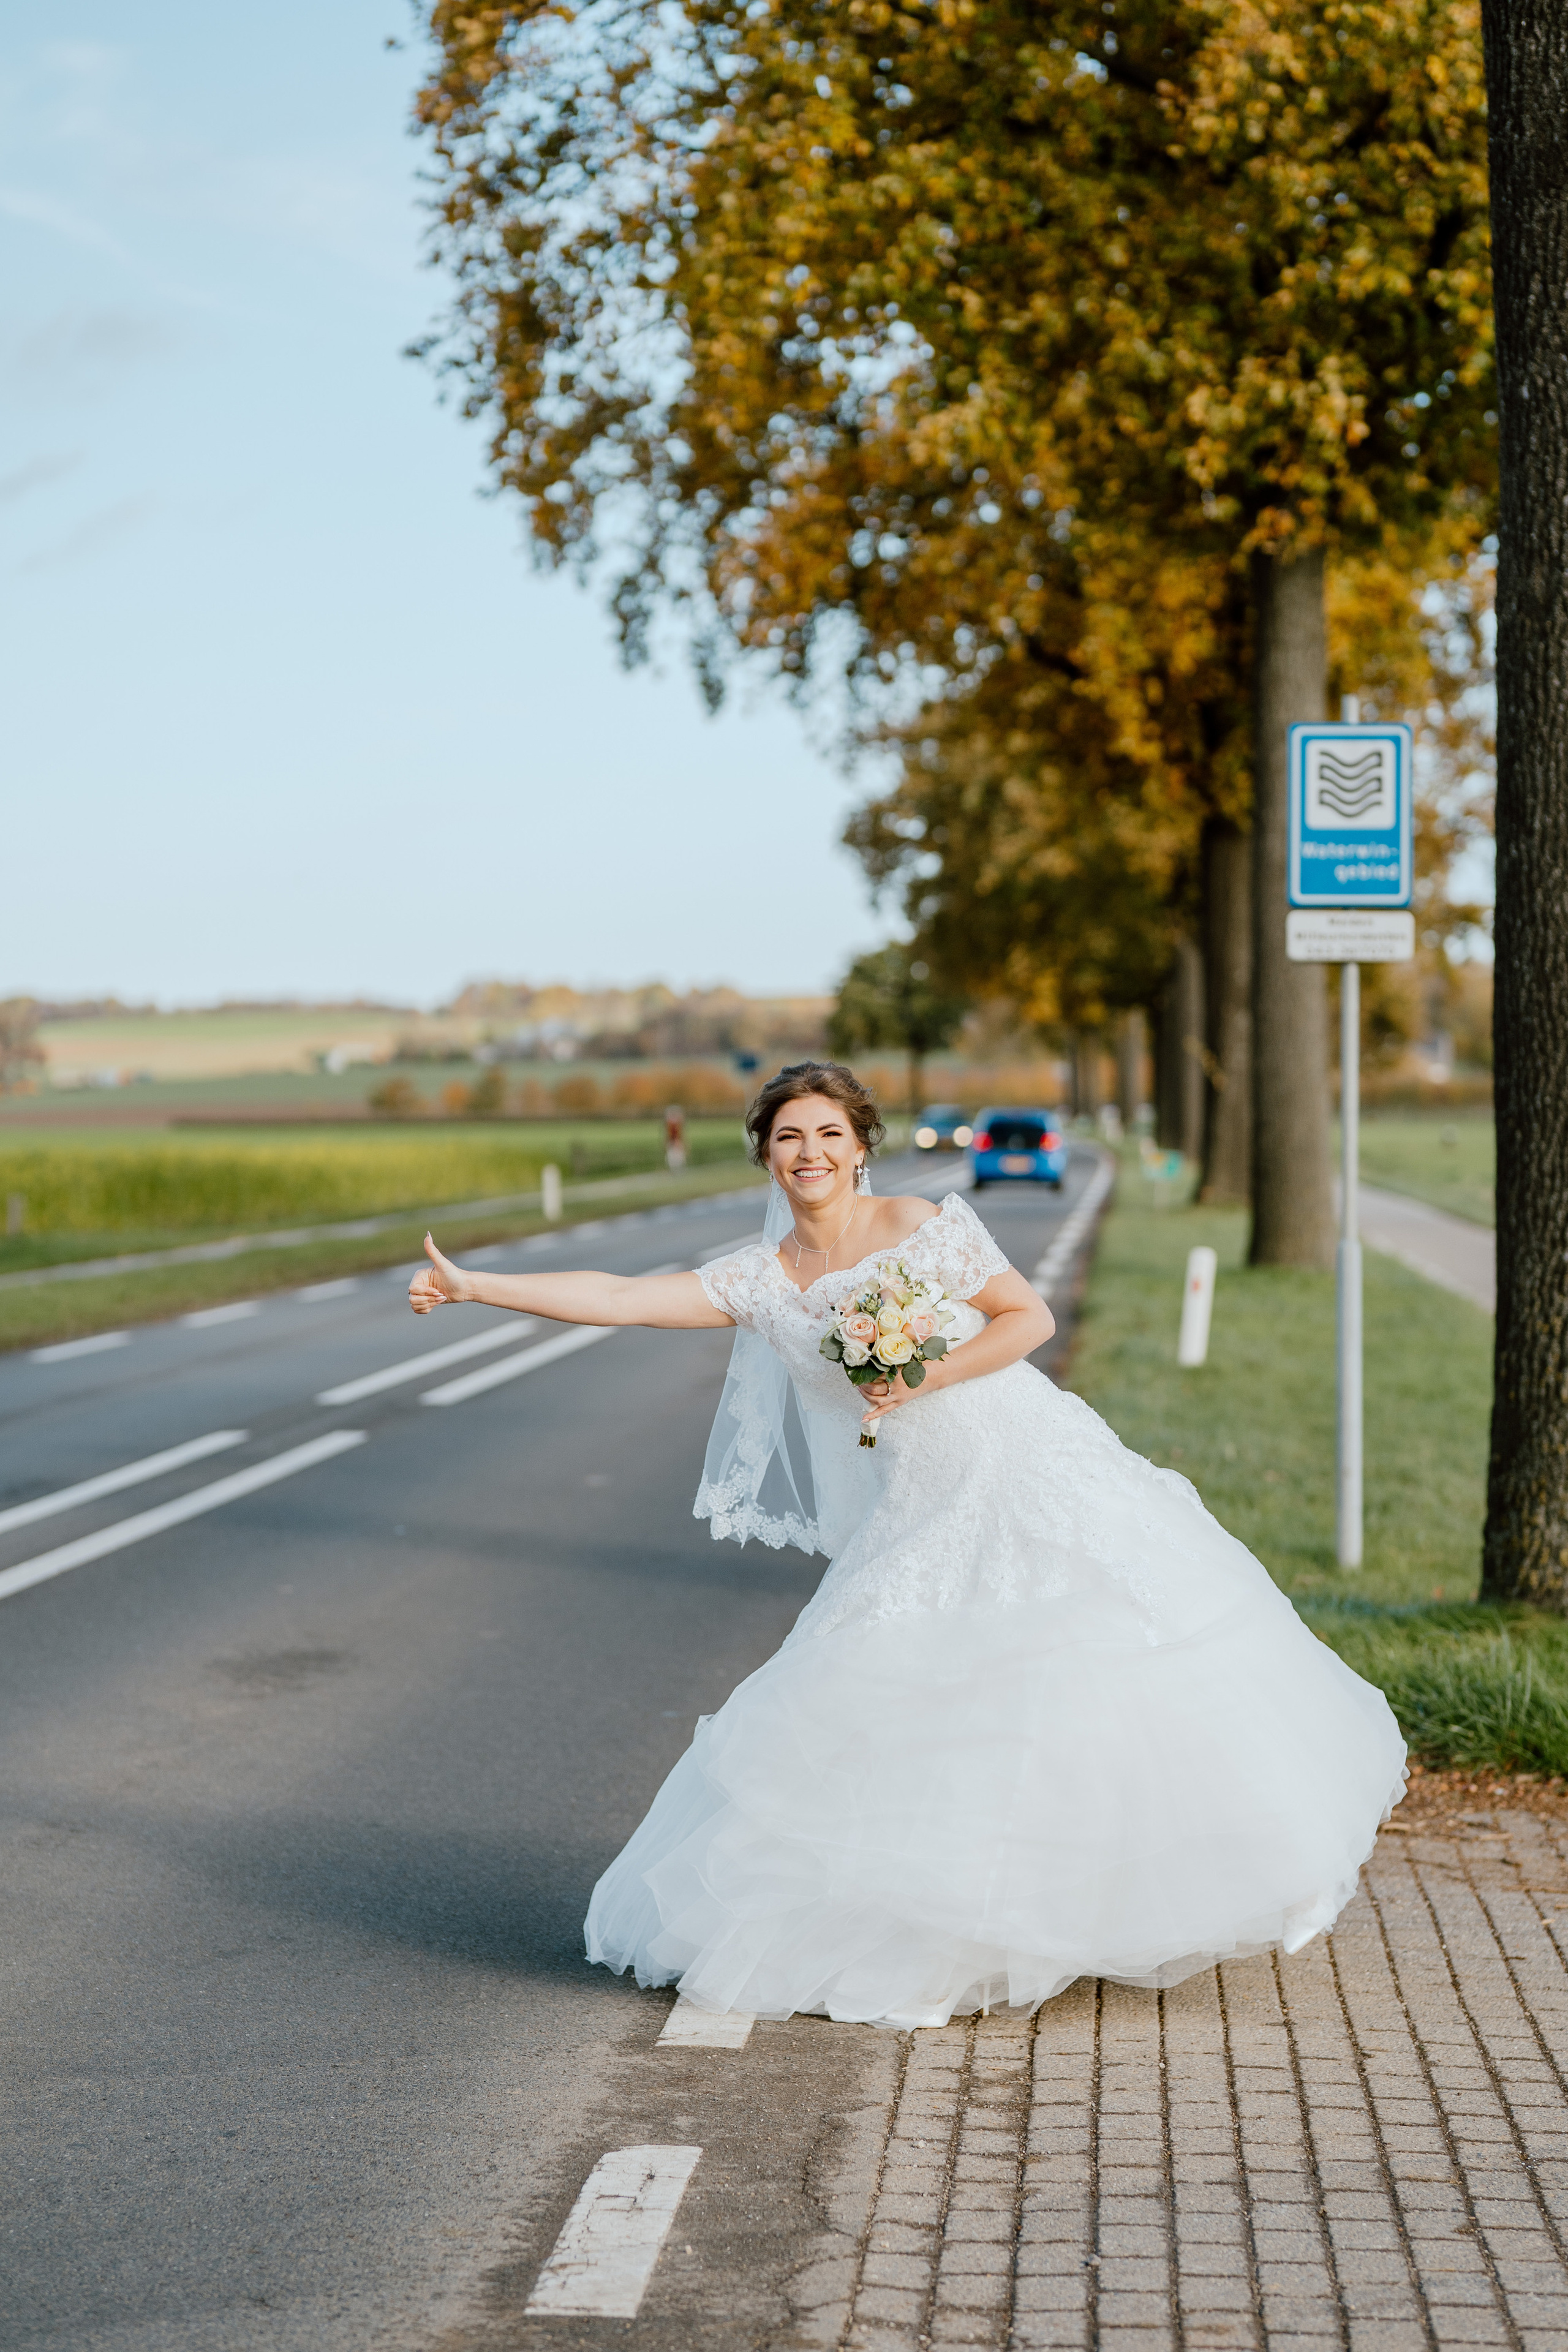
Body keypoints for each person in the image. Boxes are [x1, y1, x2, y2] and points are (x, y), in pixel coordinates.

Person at [409, 1060, 1406, 2030]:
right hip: (917, 1503)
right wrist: (475, 1286)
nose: (811, 1152)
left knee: (1098, 1664)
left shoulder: (919, 1228)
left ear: (859, 1149)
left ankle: (1193, 1877)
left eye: (828, 1135)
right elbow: (623, 1296)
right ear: (765, 1157)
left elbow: (1028, 1317)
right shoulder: (760, 1279)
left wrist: (931, 1372)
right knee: (893, 1690)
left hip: (1026, 1463)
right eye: (790, 1136)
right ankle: (950, 1929)